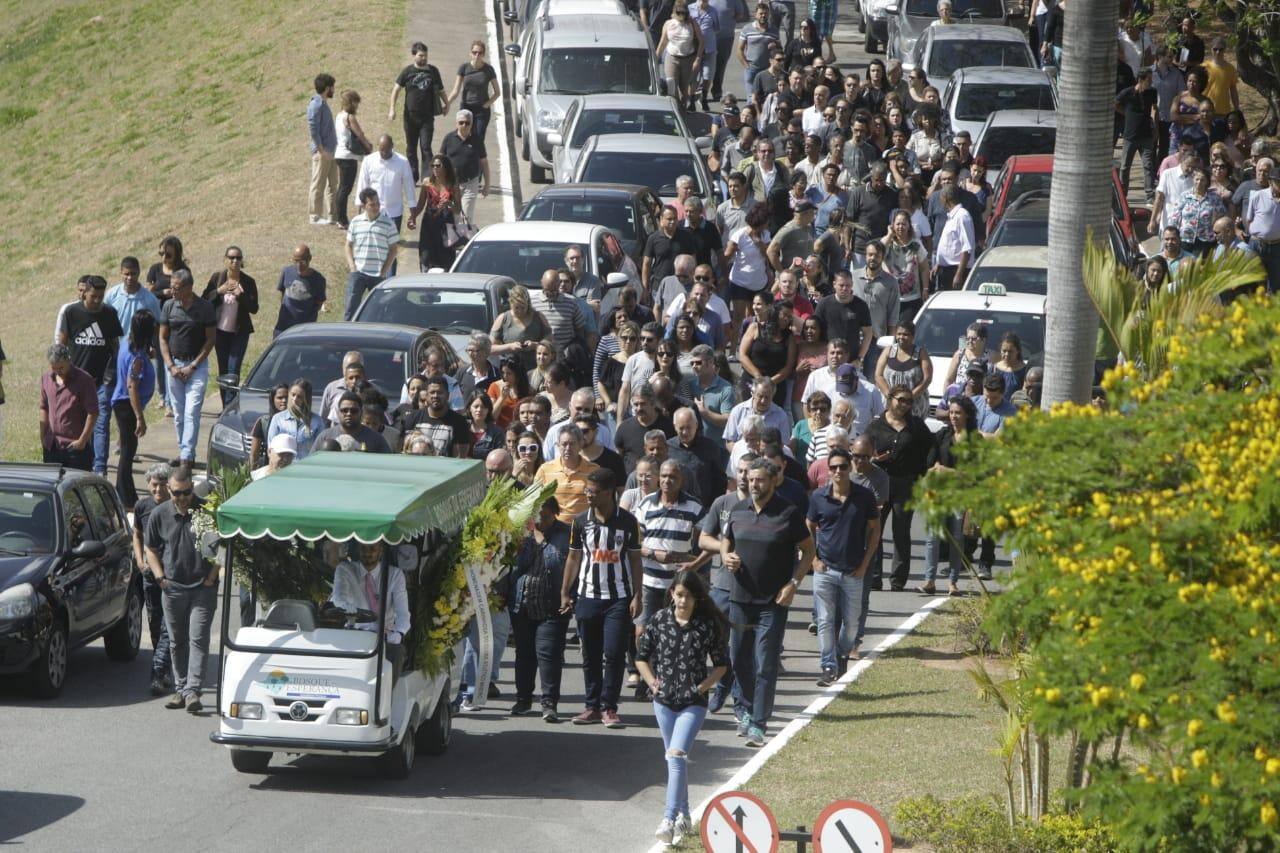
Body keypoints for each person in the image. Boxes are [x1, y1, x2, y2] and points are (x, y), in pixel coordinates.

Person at [721, 457, 815, 747]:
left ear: (773, 481)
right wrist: (726, 556)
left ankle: (759, 723)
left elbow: (809, 551)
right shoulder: (738, 510)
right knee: (739, 659)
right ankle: (744, 711)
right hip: (739, 599)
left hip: (772, 602)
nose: (753, 484)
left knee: (765, 663)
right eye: (750, 479)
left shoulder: (788, 513)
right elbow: (727, 540)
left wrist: (794, 584)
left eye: (759, 479)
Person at [636, 570, 730, 846]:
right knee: (674, 759)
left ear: (697, 598)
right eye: (678, 595)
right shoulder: (660, 620)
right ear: (671, 594)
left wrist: (701, 688)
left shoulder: (707, 625)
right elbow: (641, 657)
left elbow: (722, 665)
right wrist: (652, 683)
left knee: (676, 756)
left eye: (688, 596)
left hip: (693, 703)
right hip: (663, 702)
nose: (682, 601)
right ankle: (685, 815)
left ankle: (668, 818)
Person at [560, 468, 644, 728]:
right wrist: (565, 592)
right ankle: (591, 706)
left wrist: (637, 594)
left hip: (618, 597)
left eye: (593, 492)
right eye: (587, 490)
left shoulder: (628, 522)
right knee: (591, 654)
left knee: (615, 652)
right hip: (587, 596)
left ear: (609, 493)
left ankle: (610, 707)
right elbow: (573, 557)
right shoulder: (580, 521)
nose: (588, 495)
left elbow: (635, 559)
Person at [144, 467, 218, 713]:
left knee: (198, 638)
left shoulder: (206, 510)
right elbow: (151, 549)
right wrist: (160, 577)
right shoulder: (159, 514)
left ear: (192, 488)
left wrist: (211, 576)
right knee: (177, 642)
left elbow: (223, 545)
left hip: (201, 589)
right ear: (169, 490)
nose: (183, 498)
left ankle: (193, 692)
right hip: (172, 588)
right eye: (177, 493)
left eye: (187, 493)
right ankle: (181, 688)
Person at [807, 447, 881, 685]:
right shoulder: (818, 497)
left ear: (850, 468)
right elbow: (807, 526)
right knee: (825, 620)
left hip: (853, 571)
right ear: (828, 471)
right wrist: (813, 559)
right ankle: (828, 666)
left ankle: (841, 654)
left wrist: (865, 563)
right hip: (825, 570)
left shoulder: (864, 497)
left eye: (843, 466)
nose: (838, 471)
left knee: (852, 624)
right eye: (833, 467)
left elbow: (875, 530)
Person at [863, 384, 933, 590]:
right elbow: (863, 449)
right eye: (901, 400)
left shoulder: (916, 426)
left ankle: (898, 579)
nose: (905, 405)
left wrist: (925, 473)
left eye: (909, 401)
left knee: (901, 531)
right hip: (879, 483)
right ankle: (874, 575)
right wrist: (873, 458)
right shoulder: (876, 425)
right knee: (875, 529)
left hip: (907, 484)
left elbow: (930, 448)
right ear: (890, 398)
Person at [509, 497, 572, 721]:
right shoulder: (523, 532)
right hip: (522, 603)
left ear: (555, 513)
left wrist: (540, 540)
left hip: (551, 605)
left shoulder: (566, 534)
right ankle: (523, 699)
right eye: (536, 516)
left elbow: (564, 564)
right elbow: (514, 565)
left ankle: (549, 703)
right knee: (523, 654)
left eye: (544, 516)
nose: (539, 521)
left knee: (548, 654)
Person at [56, 275, 122, 475]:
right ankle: (80, 465)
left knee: (101, 424)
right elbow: (62, 344)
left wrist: (115, 374)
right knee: (78, 424)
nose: (97, 300)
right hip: (75, 381)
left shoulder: (109, 314)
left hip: (102, 381)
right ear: (85, 292)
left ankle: (100, 469)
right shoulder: (71, 312)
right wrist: (61, 373)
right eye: (93, 296)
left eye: (101, 297)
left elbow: (115, 347)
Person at [635, 462, 708, 641]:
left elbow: (705, 544)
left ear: (681, 480)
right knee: (643, 632)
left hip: (680, 584)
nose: (667, 480)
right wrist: (653, 554)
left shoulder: (694, 507)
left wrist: (692, 561)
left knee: (678, 633)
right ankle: (642, 668)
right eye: (664, 476)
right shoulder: (646, 504)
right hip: (649, 581)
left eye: (673, 477)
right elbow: (634, 544)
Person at [158, 270, 215, 470]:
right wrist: (171, 365)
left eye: (176, 287)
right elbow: (163, 338)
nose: (172, 291)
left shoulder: (205, 308)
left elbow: (210, 340)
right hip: (173, 365)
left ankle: (186, 455)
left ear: (189, 287)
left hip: (196, 367)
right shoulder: (168, 306)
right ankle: (185, 451)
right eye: (171, 286)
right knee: (179, 414)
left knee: (192, 412)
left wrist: (193, 366)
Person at [329, 542, 411, 678]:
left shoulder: (395, 575)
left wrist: (399, 634)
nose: (368, 552)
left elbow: (403, 613)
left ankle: (385, 697)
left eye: (372, 548)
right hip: (355, 635)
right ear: (357, 549)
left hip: (385, 637)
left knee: (397, 652)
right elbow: (338, 596)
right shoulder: (345, 569)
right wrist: (345, 606)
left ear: (381, 550)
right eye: (363, 548)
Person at [131, 465, 173, 695]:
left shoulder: (175, 504)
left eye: (162, 484)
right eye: (154, 484)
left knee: (169, 626)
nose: (158, 489)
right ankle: (164, 665)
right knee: (155, 623)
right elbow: (137, 534)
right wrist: (139, 560)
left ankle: (158, 671)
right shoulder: (142, 506)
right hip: (149, 575)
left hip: (171, 575)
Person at [110, 310, 157, 507]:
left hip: (122, 404)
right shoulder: (137, 358)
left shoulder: (128, 344)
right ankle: (125, 497)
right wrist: (140, 417)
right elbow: (132, 386)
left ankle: (126, 494)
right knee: (128, 453)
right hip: (126, 406)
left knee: (128, 450)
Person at [201, 246, 258, 405]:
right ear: (225, 259)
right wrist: (219, 291)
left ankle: (229, 408)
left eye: (238, 258)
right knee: (223, 371)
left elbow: (254, 308)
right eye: (232, 258)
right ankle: (226, 405)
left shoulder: (248, 282)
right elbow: (204, 301)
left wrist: (242, 296)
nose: (235, 261)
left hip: (239, 333)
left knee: (233, 372)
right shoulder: (217, 278)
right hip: (219, 333)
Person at [389, 42, 445, 183]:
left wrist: (447, 103)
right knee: (411, 148)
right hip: (410, 117)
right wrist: (392, 109)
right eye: (421, 55)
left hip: (427, 117)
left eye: (425, 55)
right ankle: (412, 177)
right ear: (414, 56)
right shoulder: (407, 72)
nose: (424, 58)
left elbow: (440, 90)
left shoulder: (433, 71)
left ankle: (427, 176)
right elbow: (396, 90)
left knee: (426, 147)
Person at [723, 203, 774, 350]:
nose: (767, 224)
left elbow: (769, 255)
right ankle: (733, 350)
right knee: (738, 317)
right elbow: (727, 255)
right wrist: (722, 274)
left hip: (759, 283)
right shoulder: (739, 235)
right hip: (739, 281)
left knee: (755, 317)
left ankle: (750, 347)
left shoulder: (766, 235)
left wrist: (760, 244)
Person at [39, 344, 98, 471]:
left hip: (75, 449)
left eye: (61, 368)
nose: (58, 372)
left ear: (69, 361)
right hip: (52, 446)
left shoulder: (84, 380)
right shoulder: (46, 379)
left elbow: (93, 413)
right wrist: (43, 435)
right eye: (54, 368)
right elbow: (43, 407)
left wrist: (82, 440)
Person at [343, 189, 400, 320]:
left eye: (377, 203)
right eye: (372, 204)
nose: (376, 207)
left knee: (379, 313)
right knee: (350, 309)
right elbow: (348, 245)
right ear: (363, 206)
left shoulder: (388, 223)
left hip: (378, 275)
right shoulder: (356, 222)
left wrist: (384, 271)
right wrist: (352, 267)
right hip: (358, 273)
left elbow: (393, 250)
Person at [357, 135, 416, 242]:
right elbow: (362, 185)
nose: (384, 153)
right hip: (373, 210)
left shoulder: (402, 162)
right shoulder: (369, 161)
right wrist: (360, 208)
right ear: (378, 146)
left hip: (394, 211)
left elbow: (409, 187)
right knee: (374, 242)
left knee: (392, 243)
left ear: (392, 146)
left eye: (387, 150)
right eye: (381, 150)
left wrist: (413, 213)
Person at [1117, 68, 1159, 203]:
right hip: (1130, 135)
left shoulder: (1152, 92)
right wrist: (1126, 114)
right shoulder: (1127, 93)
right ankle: (1123, 194)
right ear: (1141, 80)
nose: (1151, 82)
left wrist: (1155, 127)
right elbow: (1115, 103)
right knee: (1125, 166)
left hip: (1146, 134)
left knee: (1148, 165)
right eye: (1149, 80)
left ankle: (1149, 195)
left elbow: (1154, 109)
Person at [440, 109, 489, 226]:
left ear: (472, 124)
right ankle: (454, 241)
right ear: (456, 123)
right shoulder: (448, 139)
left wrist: (487, 184)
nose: (464, 125)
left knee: (466, 217)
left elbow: (484, 162)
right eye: (461, 122)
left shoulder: (477, 140)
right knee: (453, 216)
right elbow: (440, 161)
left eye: (467, 123)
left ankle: (465, 241)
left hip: (470, 184)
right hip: (451, 184)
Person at [814, 271, 873, 367]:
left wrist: (859, 358)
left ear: (852, 285)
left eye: (848, 285)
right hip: (827, 360)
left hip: (851, 362)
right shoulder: (824, 304)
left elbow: (868, 333)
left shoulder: (861, 305)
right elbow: (815, 329)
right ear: (834, 284)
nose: (845, 288)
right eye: (841, 285)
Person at [403, 376, 472, 457]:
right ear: (426, 395)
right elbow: (404, 450)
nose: (435, 396)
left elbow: (459, 458)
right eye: (432, 392)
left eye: (440, 392)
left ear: (448, 395)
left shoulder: (459, 422)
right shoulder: (412, 418)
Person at [875, 320, 931, 419]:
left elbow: (927, 379)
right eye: (899, 334)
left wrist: (909, 398)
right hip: (891, 405)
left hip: (914, 406)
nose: (901, 337)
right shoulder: (888, 351)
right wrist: (890, 396)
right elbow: (878, 375)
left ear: (913, 337)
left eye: (905, 334)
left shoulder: (921, 353)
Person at [334, 89, 374, 229]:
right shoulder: (349, 117)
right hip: (348, 156)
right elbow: (360, 134)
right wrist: (368, 146)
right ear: (351, 102)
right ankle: (342, 219)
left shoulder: (339, 116)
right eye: (356, 102)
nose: (357, 105)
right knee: (345, 188)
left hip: (339, 154)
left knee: (342, 188)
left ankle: (340, 217)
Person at [446, 40, 500, 140]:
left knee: (478, 137)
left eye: (480, 53)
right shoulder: (464, 68)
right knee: (463, 136)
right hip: (466, 108)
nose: (477, 55)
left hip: (481, 110)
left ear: (483, 54)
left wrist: (486, 105)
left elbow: (497, 92)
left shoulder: (488, 70)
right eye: (474, 52)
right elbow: (456, 90)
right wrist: (447, 103)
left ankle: (479, 155)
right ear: (470, 53)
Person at [657, 2, 705, 111]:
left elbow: (702, 42)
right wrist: (656, 57)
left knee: (684, 88)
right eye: (679, 13)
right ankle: (676, 109)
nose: (681, 16)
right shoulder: (668, 24)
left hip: (688, 59)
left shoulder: (692, 23)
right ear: (674, 13)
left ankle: (683, 107)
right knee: (671, 86)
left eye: (683, 13)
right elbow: (663, 42)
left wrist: (697, 59)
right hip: (672, 57)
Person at [1170, 166, 1227, 255]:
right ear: (1193, 180)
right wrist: (1173, 235)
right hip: (1185, 239)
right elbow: (1175, 217)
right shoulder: (1184, 196)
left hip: (1205, 240)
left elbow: (1222, 216)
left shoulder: (1214, 198)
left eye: (1202, 180)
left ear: (1207, 182)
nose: (1199, 182)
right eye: (1197, 179)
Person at [273, 245, 327, 336]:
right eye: (295, 261)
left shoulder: (318, 280)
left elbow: (319, 302)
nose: (299, 265)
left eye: (302, 261)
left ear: (309, 259)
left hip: (305, 330)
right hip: (283, 327)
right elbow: (282, 294)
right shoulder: (286, 272)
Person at [312, 391, 392, 453]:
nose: (349, 414)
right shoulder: (325, 437)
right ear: (338, 413)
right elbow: (311, 464)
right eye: (344, 410)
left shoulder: (376, 439)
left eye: (354, 411)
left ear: (361, 412)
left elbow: (388, 465)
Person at [307, 72, 339, 225]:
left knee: (333, 184)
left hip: (331, 151)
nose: (334, 90)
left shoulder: (323, 103)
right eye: (332, 87)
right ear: (327, 88)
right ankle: (315, 216)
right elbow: (313, 128)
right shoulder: (316, 104)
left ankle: (333, 215)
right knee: (318, 185)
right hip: (323, 152)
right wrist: (321, 150)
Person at [267, 379, 324, 461]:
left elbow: (320, 449)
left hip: (307, 467)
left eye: (299, 397)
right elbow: (271, 447)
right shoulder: (278, 419)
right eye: (293, 395)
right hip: (283, 467)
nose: (295, 399)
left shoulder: (317, 421)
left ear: (306, 399)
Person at [933, 185, 975, 291]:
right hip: (945, 270)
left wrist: (959, 274)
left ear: (945, 198)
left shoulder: (962, 216)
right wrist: (939, 263)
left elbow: (967, 248)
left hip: (955, 271)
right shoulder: (952, 216)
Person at [738, 3, 781, 93]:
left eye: (765, 13)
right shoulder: (747, 29)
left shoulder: (774, 30)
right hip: (752, 68)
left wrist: (776, 46)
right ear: (755, 15)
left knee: (765, 97)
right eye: (761, 13)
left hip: (767, 69)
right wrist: (746, 66)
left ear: (768, 15)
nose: (763, 16)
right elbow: (739, 49)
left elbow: (780, 51)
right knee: (751, 98)